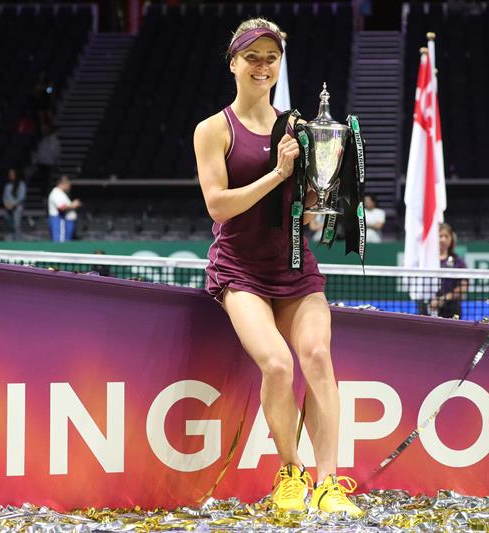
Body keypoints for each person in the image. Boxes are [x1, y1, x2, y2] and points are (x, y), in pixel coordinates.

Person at [193, 18, 362, 517]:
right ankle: (291, 472)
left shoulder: (298, 127)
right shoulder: (212, 130)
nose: (262, 66)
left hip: (294, 269)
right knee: (278, 363)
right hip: (238, 272)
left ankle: (329, 485)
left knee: (317, 356)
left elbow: (309, 205)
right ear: (234, 63)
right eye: (253, 57)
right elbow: (218, 205)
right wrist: (278, 173)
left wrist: (324, 182)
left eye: (271, 58)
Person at [423, 223, 468, 318]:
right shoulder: (426, 261)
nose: (443, 239)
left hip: (451, 309)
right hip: (426, 307)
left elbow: (463, 287)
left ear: (451, 239)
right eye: (440, 236)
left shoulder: (458, 262)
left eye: (446, 236)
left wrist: (443, 299)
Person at [48, 175, 81, 242]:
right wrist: (73, 205)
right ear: (64, 183)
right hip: (57, 220)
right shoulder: (56, 193)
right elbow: (61, 207)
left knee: (62, 241)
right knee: (59, 241)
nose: (69, 186)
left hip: (60, 219)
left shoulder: (61, 193)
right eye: (68, 184)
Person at [2, 168, 27, 240]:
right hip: (8, 208)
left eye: (12, 174)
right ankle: (11, 239)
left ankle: (18, 240)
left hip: (17, 208)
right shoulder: (7, 184)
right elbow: (4, 196)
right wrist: (6, 204)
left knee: (17, 225)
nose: (11, 175)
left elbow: (21, 197)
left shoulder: (21, 184)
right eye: (10, 174)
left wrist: (13, 205)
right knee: (9, 224)